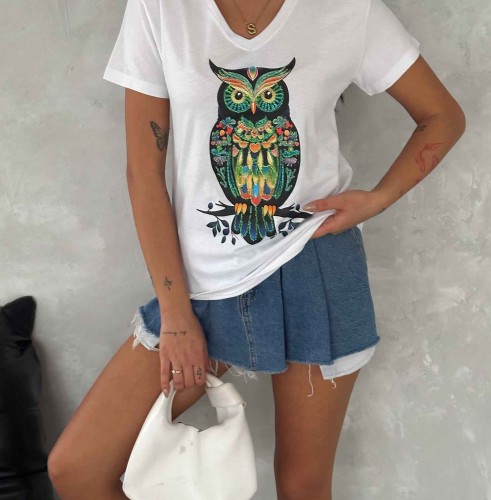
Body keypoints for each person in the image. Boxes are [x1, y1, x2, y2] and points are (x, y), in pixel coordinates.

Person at [48, 0, 466, 498]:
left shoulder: (349, 10)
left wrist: (378, 198)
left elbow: (442, 116)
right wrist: (176, 317)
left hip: (316, 266)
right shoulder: (161, 9)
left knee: (302, 486)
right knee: (78, 467)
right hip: (199, 286)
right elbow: (144, 176)